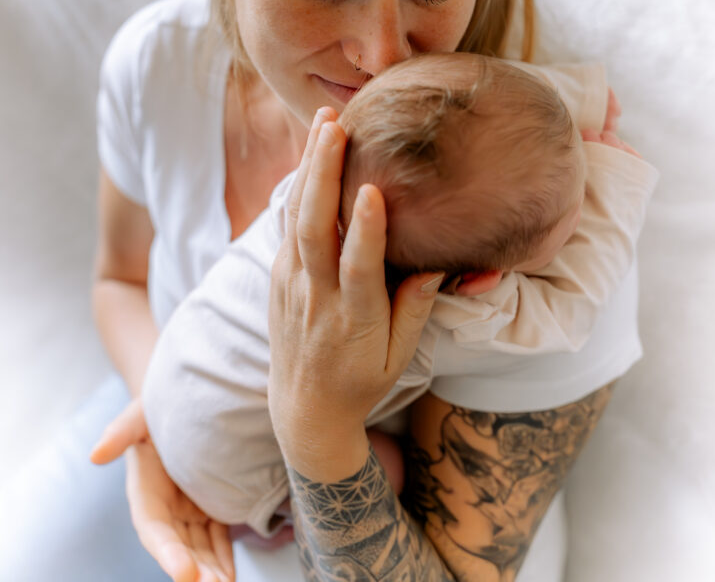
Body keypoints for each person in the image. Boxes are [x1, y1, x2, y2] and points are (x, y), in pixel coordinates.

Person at [0, 0, 646, 582]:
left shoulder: (530, 208)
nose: (383, 53)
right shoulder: (159, 66)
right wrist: (166, 418)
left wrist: (320, 430)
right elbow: (122, 275)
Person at [137, 51, 657, 538]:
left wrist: (574, 107)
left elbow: (476, 105)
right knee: (390, 470)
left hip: (168, 368)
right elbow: (568, 312)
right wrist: (613, 188)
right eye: (570, 230)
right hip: (226, 464)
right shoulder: (444, 318)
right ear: (478, 281)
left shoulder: (319, 185)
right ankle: (266, 522)